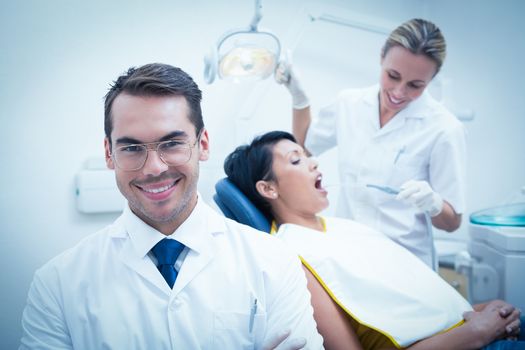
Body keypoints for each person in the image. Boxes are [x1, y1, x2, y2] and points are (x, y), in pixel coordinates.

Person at [19, 64, 323, 349]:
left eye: (171, 144)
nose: (153, 167)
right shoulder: (57, 285)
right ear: (109, 154)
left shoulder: (272, 260)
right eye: (132, 148)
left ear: (202, 144)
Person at [224, 130, 523, 350]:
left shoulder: (342, 229)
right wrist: (478, 333)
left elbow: (418, 308)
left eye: (307, 155)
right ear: (268, 189)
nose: (314, 163)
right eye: (296, 160)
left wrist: (484, 312)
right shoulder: (293, 258)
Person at [276, 18, 466, 268]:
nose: (399, 92)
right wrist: (300, 99)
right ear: (381, 58)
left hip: (406, 263)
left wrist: (434, 203)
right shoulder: (350, 104)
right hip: (349, 252)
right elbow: (304, 148)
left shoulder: (443, 128)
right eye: (393, 75)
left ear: (431, 80)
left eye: (415, 85)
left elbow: (451, 223)